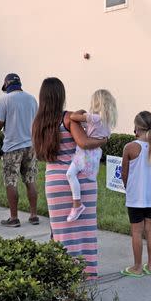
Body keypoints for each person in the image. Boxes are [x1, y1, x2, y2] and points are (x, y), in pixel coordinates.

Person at [32, 77, 106, 280]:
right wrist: (103, 140)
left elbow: (40, 154)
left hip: (53, 181)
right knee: (84, 230)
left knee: (60, 232)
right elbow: (83, 142)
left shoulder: (38, 122)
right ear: (61, 95)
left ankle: (62, 272)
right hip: (80, 181)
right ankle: (86, 272)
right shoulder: (68, 119)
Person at [120, 111, 151, 277]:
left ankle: (137, 267)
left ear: (136, 127)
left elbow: (124, 174)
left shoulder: (130, 147)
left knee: (137, 232)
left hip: (135, 197)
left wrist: (127, 187)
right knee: (150, 230)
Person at [0, 73, 40, 227]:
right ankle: (34, 215)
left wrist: (1, 125)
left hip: (12, 147)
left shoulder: (5, 99)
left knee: (11, 181)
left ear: (6, 85)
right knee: (30, 180)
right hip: (30, 146)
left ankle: (14, 218)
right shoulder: (32, 99)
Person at [66, 89, 116, 222]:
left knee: (70, 175)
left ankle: (77, 204)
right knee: (84, 178)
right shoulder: (105, 122)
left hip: (86, 153)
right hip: (94, 154)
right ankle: (78, 205)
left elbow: (73, 117)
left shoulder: (94, 118)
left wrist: (82, 111)